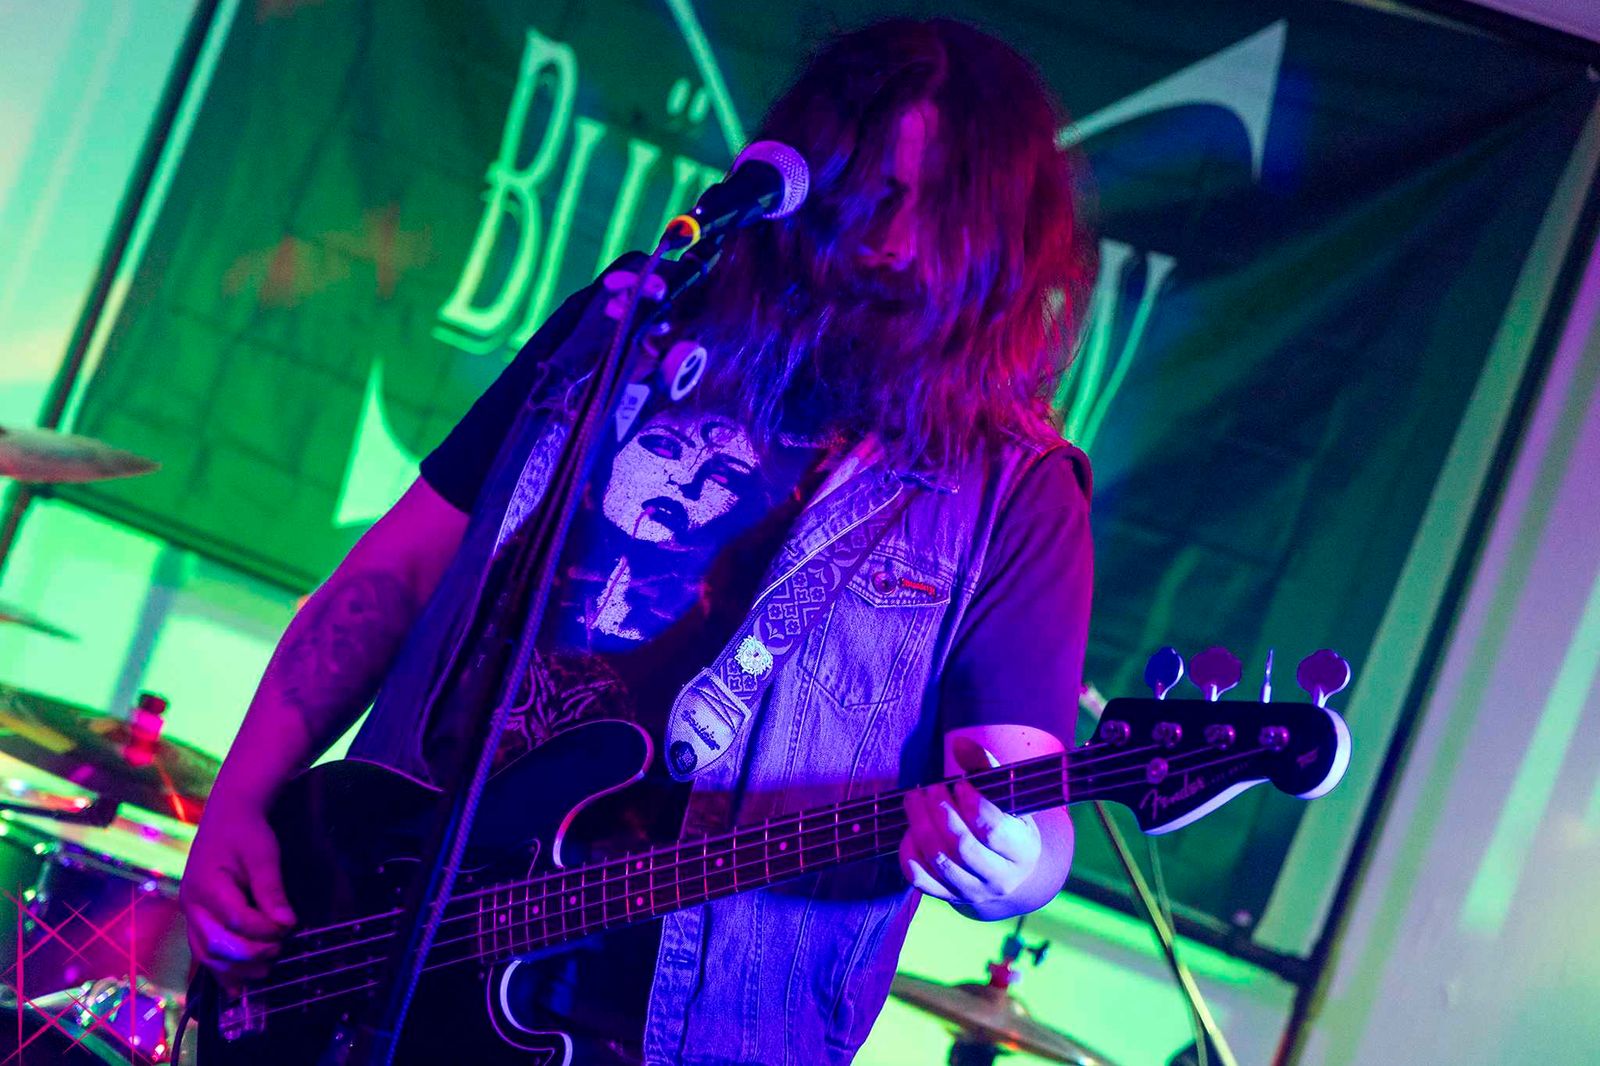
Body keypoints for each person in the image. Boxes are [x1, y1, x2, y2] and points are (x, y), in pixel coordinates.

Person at [178, 16, 1097, 1064]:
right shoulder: (628, 324)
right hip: (374, 911)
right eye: (871, 194)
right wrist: (240, 801)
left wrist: (1010, 863)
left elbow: (1026, 798)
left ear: (1004, 239)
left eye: (942, 212)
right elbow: (398, 568)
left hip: (667, 1029)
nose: (893, 242)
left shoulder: (1015, 494)